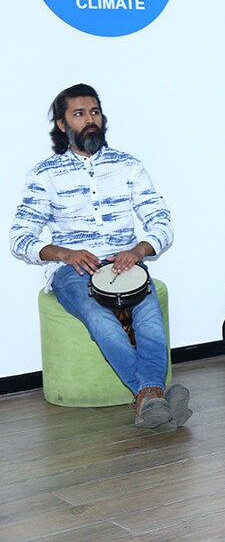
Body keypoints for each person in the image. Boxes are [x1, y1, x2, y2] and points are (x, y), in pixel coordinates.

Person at [10, 83, 190, 430]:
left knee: (149, 316)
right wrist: (63, 253)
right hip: (72, 270)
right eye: (79, 114)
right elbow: (19, 238)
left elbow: (161, 221)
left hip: (125, 263)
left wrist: (138, 251)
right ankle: (152, 392)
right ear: (62, 125)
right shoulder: (44, 174)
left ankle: (148, 399)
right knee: (99, 318)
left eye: (94, 112)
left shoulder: (128, 166)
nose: (90, 120)